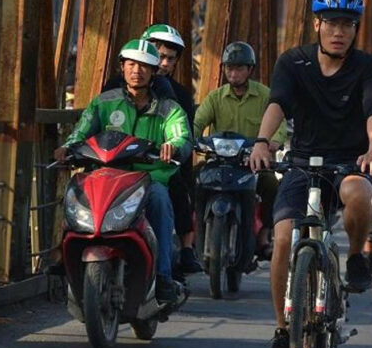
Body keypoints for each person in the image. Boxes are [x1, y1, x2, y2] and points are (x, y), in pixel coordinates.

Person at [247, 0, 372, 348]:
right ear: (316, 24)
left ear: (356, 28)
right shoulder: (294, 62)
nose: (339, 31)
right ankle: (282, 329)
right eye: (331, 22)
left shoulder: (367, 66)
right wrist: (262, 142)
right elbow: (278, 103)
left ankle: (356, 256)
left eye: (348, 24)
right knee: (282, 239)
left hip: (348, 162)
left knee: (360, 194)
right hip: (303, 161)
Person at [55, 40, 191, 303]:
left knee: (160, 200)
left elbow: (181, 136)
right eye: (131, 64)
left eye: (144, 66)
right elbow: (81, 131)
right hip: (105, 175)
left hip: (148, 178)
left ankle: (163, 275)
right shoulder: (103, 103)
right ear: (122, 67)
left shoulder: (169, 109)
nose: (136, 71)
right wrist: (67, 147)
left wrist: (173, 146)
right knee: (75, 192)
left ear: (154, 71)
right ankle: (63, 258)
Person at [193, 41, 287, 261]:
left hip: (252, 163)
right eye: (229, 68)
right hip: (219, 161)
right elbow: (197, 122)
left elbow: (280, 124)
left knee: (271, 185)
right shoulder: (215, 97)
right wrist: (190, 139)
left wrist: (273, 142)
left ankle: (264, 236)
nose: (233, 73)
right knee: (193, 179)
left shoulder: (264, 95)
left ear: (250, 70)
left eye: (239, 68)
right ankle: (194, 235)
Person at [140, 23, 203, 276]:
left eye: (170, 59)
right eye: (159, 56)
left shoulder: (179, 96)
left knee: (179, 187)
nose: (164, 64)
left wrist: (174, 150)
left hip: (159, 164)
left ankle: (178, 257)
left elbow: (183, 135)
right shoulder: (115, 88)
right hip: (120, 163)